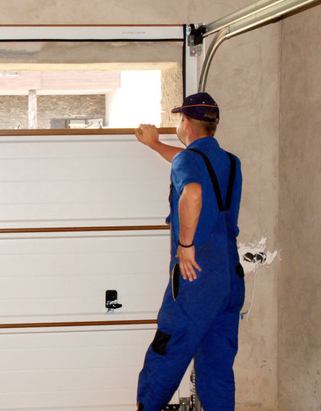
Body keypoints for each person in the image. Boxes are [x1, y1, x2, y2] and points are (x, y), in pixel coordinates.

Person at [133, 93, 244, 411]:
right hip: (230, 278)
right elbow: (197, 167)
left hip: (197, 279)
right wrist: (155, 145)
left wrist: (185, 246)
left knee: (167, 351)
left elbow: (193, 192)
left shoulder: (188, 162)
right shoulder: (230, 162)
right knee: (217, 366)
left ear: (184, 122)